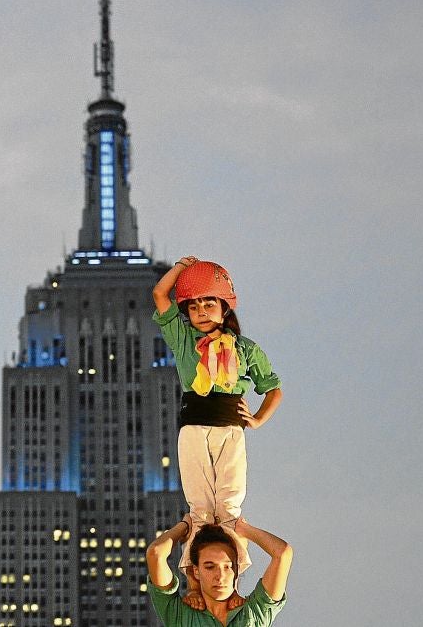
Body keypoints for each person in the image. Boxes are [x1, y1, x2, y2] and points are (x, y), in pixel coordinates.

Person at [152, 257, 283, 603]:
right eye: (193, 306)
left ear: (225, 307)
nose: (201, 311)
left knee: (229, 506)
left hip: (229, 429)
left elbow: (273, 388)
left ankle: (233, 584)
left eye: (209, 302)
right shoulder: (184, 341)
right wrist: (181, 267)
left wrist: (256, 419)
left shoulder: (244, 348)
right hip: (193, 428)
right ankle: (195, 585)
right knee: (200, 508)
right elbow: (160, 294)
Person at [146, 515, 292, 626]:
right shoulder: (181, 615)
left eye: (227, 567)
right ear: (196, 571)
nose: (220, 576)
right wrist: (184, 525)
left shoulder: (253, 613)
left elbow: (283, 553)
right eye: (210, 567)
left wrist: (244, 529)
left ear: (236, 570)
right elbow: (155, 554)